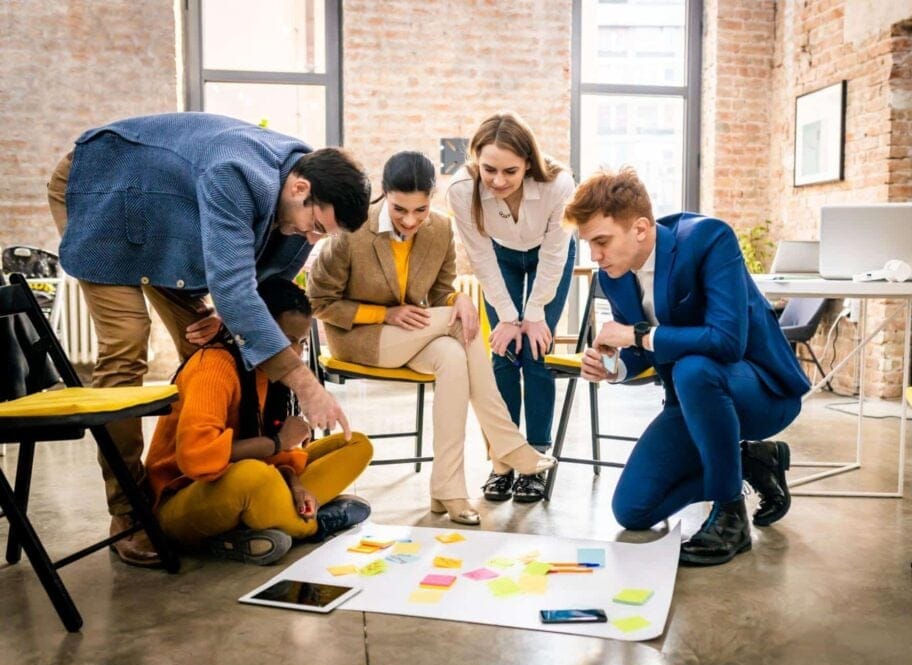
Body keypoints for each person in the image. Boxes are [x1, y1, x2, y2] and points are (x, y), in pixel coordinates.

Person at [47, 112, 371, 566]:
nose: (312, 238)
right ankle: (131, 511)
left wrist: (230, 318)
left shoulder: (301, 189)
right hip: (102, 188)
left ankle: (216, 486)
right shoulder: (236, 174)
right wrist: (304, 382)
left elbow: (259, 287)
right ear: (300, 189)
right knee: (126, 348)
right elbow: (236, 289)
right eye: (315, 226)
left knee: (213, 349)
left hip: (160, 216)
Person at [564, 167, 808, 566]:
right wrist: (614, 367)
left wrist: (637, 335)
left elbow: (728, 342)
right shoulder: (614, 276)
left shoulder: (709, 239)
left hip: (761, 391)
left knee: (694, 369)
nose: (595, 255)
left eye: (602, 241)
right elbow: (640, 353)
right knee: (633, 511)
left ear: (640, 228)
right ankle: (752, 462)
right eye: (589, 244)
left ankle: (730, 515)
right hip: (692, 403)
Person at [307, 151, 555, 525]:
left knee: (454, 357)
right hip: (359, 338)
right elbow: (319, 301)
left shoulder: (440, 229)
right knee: (459, 326)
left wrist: (457, 300)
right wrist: (386, 314)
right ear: (384, 195)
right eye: (399, 209)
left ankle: (447, 491)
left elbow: (440, 294)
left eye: (420, 210)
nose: (410, 220)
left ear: (432, 199)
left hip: (417, 335)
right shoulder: (353, 231)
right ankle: (505, 442)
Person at [145, 277, 373, 566]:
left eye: (301, 342)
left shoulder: (274, 374)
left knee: (356, 445)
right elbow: (197, 459)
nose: (295, 354)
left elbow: (276, 460)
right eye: (285, 340)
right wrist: (277, 442)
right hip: (185, 499)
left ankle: (263, 526)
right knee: (252, 476)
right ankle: (314, 525)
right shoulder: (214, 366)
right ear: (257, 331)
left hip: (256, 481)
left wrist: (293, 483)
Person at [445, 112, 576, 505]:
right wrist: (506, 316)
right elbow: (480, 256)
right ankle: (503, 457)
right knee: (502, 352)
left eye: (510, 171)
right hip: (499, 257)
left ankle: (535, 457)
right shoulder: (461, 189)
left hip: (547, 257)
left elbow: (554, 256)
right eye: (489, 170)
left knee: (535, 351)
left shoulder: (559, 185)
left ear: (528, 164)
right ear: (475, 161)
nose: (498, 181)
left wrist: (533, 316)